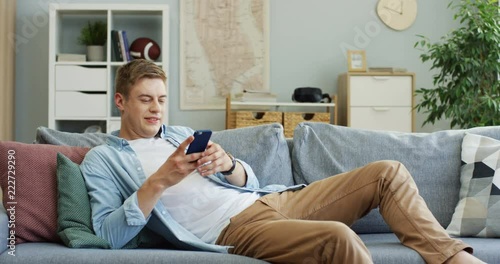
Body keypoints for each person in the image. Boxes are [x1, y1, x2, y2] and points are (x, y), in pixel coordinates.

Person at [80, 59, 484, 264]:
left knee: (388, 172)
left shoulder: (178, 135)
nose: (156, 110)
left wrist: (228, 166)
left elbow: (249, 179)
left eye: (162, 100)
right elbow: (107, 235)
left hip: (272, 201)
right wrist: (159, 182)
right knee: (336, 237)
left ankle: (453, 258)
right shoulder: (101, 159)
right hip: (232, 231)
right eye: (145, 99)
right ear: (121, 102)